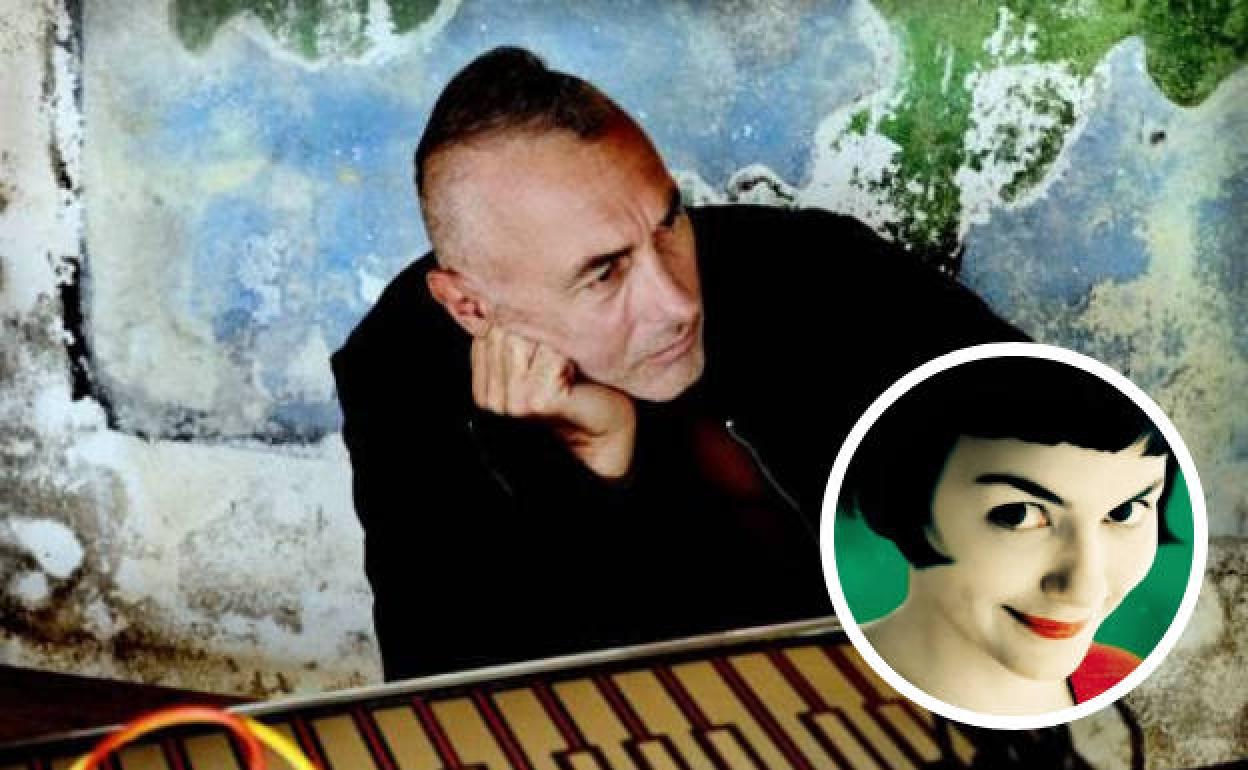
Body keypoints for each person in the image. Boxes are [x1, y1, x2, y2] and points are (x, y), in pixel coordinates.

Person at [330, 46, 1028, 681]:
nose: (676, 302)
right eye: (604, 273)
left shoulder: (820, 269)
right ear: (471, 308)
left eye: (670, 221)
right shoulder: (404, 373)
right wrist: (595, 470)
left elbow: (1064, 439)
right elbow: (465, 697)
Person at [836, 354, 1183, 715]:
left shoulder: (1129, 688)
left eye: (1124, 512)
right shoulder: (812, 686)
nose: (1084, 589)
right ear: (908, 503)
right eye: (1018, 515)